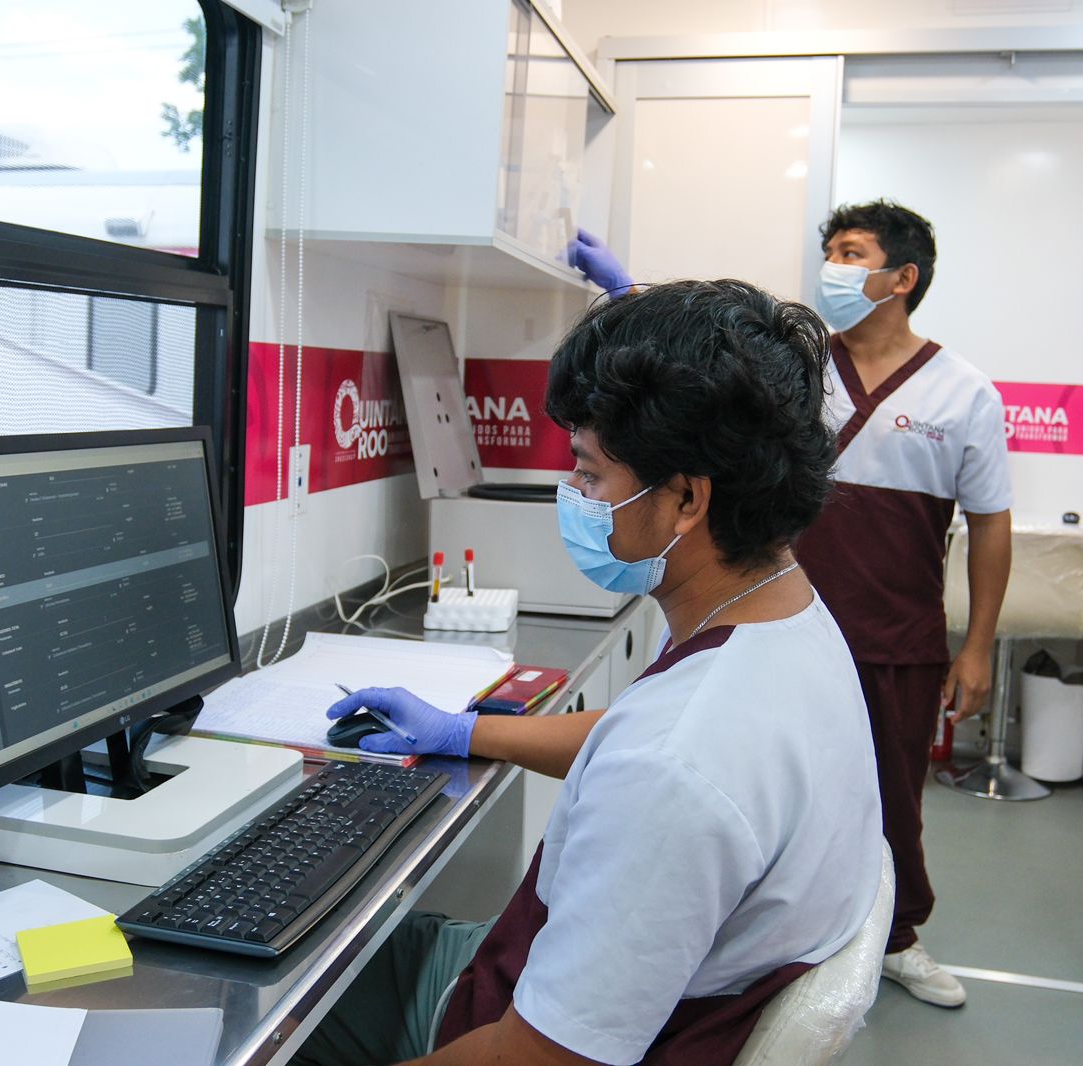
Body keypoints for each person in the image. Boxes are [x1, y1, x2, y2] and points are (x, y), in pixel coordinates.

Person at [295, 279, 883, 1066]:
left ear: (685, 500)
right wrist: (471, 732)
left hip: (500, 1027)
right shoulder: (790, 625)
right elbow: (636, 738)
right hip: (587, 984)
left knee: (259, 1007)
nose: (574, 496)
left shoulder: (675, 770)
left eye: (590, 474)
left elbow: (537, 1061)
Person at [793, 200, 1013, 1009]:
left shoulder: (965, 393)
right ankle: (779, 937)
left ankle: (897, 937)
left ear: (902, 277)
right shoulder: (798, 368)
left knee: (893, 797)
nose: (833, 269)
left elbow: (990, 526)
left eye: (851, 253)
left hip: (898, 634)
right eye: (831, 252)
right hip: (787, 625)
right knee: (782, 786)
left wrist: (978, 645)